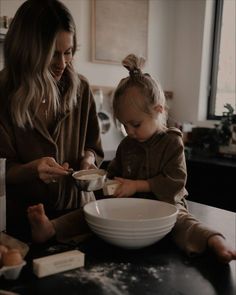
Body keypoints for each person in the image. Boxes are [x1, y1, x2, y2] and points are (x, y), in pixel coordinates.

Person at [27, 54, 236, 264]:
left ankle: (214, 241)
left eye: (135, 124)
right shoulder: (127, 145)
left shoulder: (172, 142)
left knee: (183, 223)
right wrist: (98, 180)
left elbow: (175, 182)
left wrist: (137, 185)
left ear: (158, 111)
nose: (129, 131)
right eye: (124, 125)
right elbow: (113, 174)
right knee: (89, 213)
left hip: (164, 208)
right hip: (128, 209)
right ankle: (50, 228)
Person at [0, 0, 103, 241]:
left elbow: (93, 147)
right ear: (28, 52)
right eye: (52, 54)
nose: (62, 64)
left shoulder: (81, 89)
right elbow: (2, 168)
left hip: (77, 219)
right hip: (22, 227)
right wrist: (31, 170)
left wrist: (88, 160)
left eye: (68, 52)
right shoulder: (3, 94)